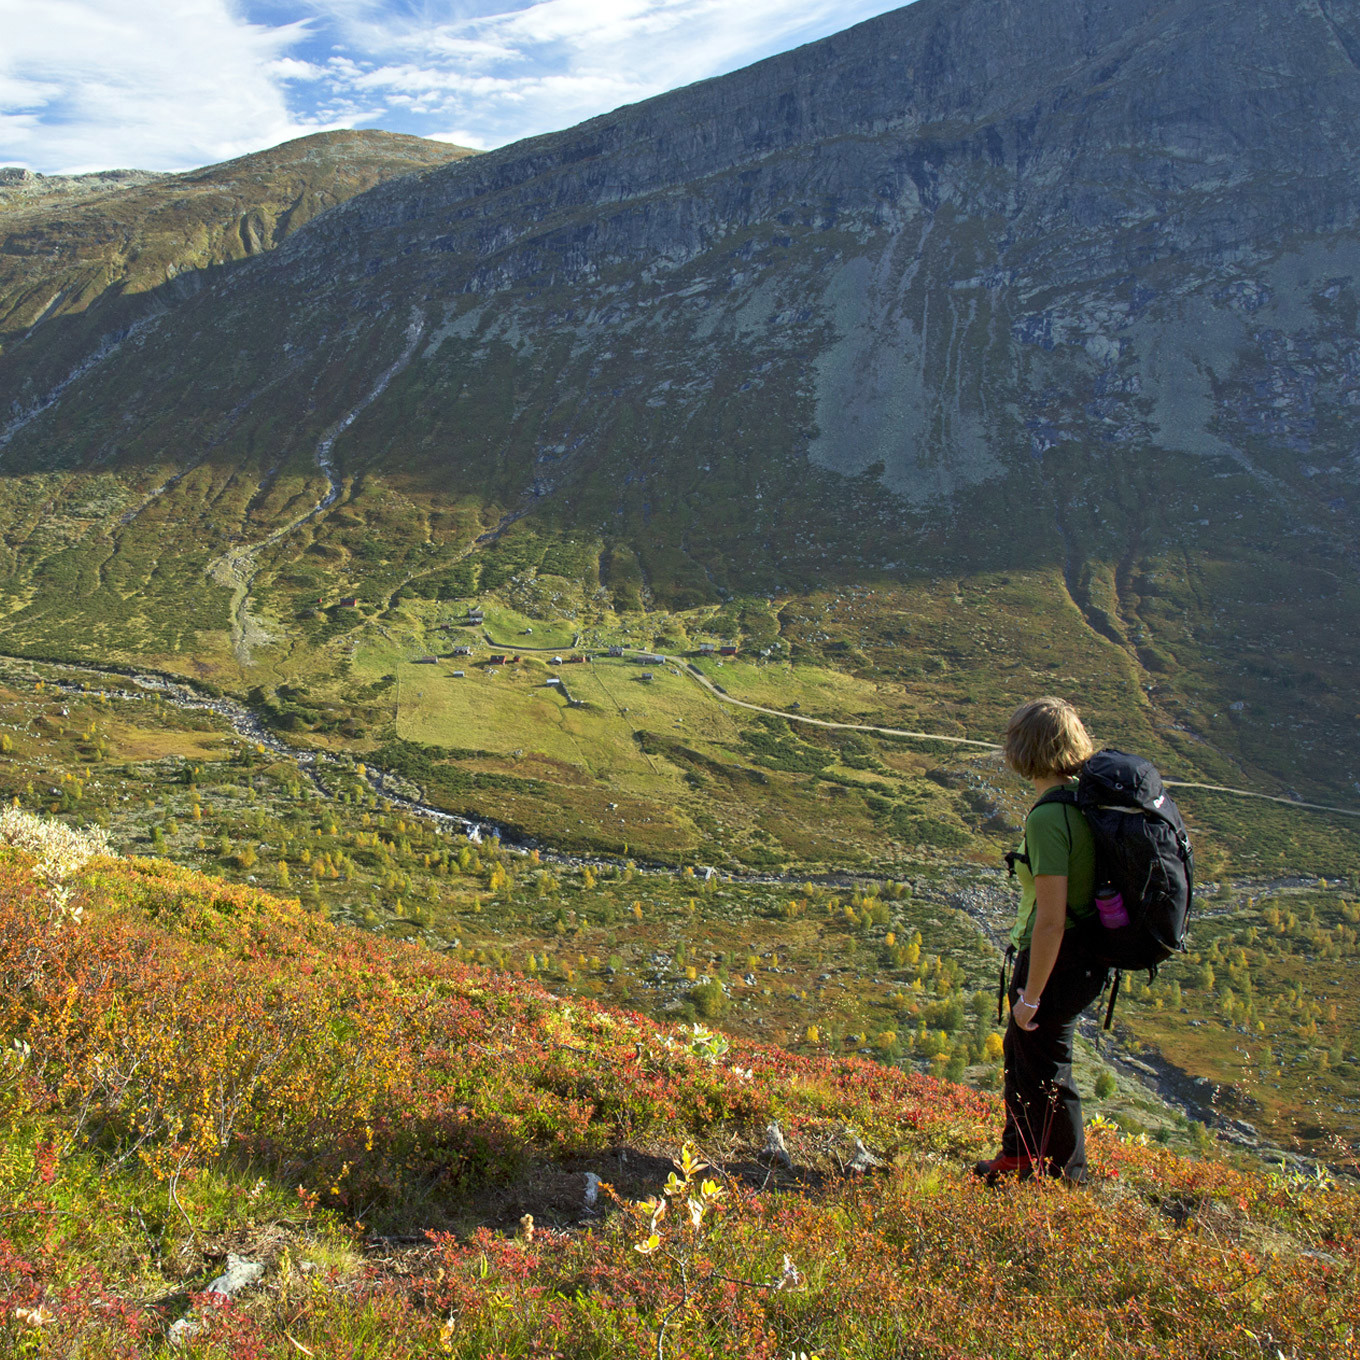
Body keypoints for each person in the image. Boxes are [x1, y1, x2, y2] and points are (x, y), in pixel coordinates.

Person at [973, 697, 1108, 1186]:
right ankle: (1020, 1156)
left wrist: (1031, 994)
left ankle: (1066, 1181)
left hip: (1056, 958)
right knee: (1028, 1063)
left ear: (1025, 749)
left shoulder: (1050, 818)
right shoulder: (1084, 803)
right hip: (1082, 955)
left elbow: (1051, 919)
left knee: (1047, 1072)